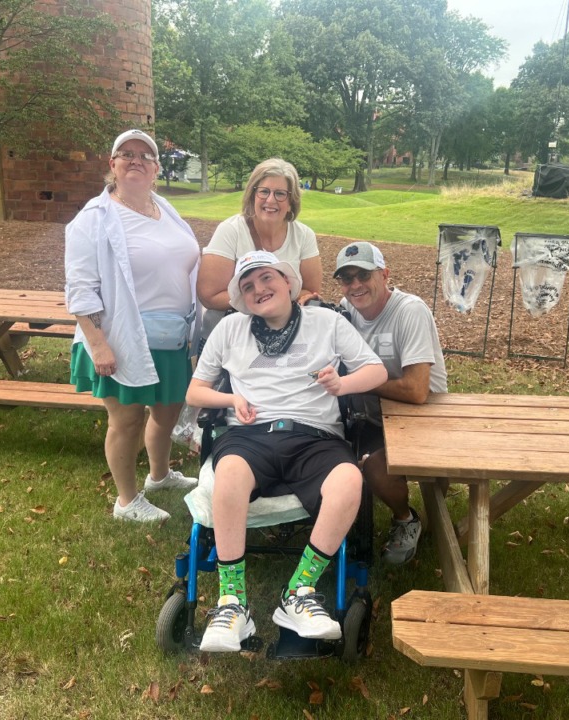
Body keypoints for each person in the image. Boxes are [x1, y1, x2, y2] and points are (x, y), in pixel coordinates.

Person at [187, 251, 387, 652]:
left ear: (289, 281)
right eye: (248, 287)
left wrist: (341, 386)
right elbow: (195, 391)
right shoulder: (230, 330)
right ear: (242, 299)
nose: (259, 289)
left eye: (266, 278)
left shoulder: (327, 322)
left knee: (350, 479)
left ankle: (298, 592)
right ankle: (232, 603)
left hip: (315, 436)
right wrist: (232, 399)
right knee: (228, 474)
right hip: (251, 433)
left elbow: (376, 370)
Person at [65, 129, 202, 523]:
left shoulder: (164, 209)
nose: (136, 160)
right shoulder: (93, 219)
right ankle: (126, 501)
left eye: (145, 155)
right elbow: (80, 287)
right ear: (112, 164)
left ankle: (159, 477)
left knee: (167, 411)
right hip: (120, 336)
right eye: (126, 154)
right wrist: (98, 343)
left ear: (157, 168)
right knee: (127, 420)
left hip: (172, 335)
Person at [334, 242, 448, 564]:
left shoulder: (409, 310)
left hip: (423, 415)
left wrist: (359, 383)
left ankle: (405, 518)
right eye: (346, 278)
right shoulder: (346, 308)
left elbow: (416, 391)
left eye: (364, 275)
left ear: (385, 274)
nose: (355, 285)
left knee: (375, 468)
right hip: (375, 412)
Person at [196, 158, 322, 340]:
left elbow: (309, 292)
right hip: (231, 338)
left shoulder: (303, 235)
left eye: (280, 194)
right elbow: (210, 295)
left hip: (285, 337)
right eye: (264, 191)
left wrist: (272, 301)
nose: (270, 200)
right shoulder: (231, 231)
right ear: (252, 195)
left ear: (291, 201)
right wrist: (267, 301)